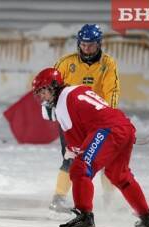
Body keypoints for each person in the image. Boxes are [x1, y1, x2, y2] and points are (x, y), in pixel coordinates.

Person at [32, 67, 149, 227]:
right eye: (38, 93)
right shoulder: (77, 90)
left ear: (54, 86)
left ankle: (84, 217)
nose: (41, 97)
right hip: (124, 126)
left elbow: (78, 141)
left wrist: (72, 150)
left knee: (80, 168)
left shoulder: (62, 103)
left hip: (107, 129)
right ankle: (148, 218)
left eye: (43, 91)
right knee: (119, 175)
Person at [47, 24, 120, 216]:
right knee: (71, 158)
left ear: (99, 44)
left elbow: (112, 90)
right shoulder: (65, 63)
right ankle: (58, 198)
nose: (87, 49)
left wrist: (109, 116)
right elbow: (51, 85)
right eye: (84, 44)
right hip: (70, 119)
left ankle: (109, 200)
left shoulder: (108, 64)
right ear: (79, 43)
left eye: (91, 45)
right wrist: (51, 106)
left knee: (105, 159)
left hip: (96, 119)